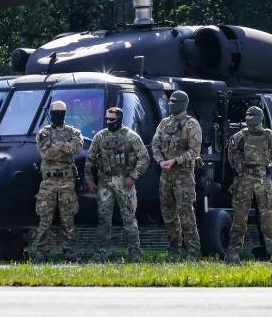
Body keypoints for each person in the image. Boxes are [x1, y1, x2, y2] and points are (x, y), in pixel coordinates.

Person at [84, 107, 150, 262]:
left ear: (119, 118)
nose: (108, 121)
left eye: (112, 119)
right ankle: (100, 254)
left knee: (129, 219)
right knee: (103, 219)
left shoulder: (130, 136)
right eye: (107, 118)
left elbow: (144, 158)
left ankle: (135, 255)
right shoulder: (100, 136)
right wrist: (89, 181)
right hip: (105, 183)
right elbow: (90, 160)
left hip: (124, 182)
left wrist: (133, 177)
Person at [224, 105, 272, 263]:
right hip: (248, 180)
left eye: (251, 115)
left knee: (267, 218)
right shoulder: (239, 136)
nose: (248, 117)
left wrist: (269, 170)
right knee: (240, 218)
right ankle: (233, 254)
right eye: (247, 115)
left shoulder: (268, 136)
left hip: (259, 180)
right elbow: (231, 156)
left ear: (258, 117)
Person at [151, 90, 202, 261]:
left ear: (181, 103)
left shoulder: (191, 124)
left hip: (184, 175)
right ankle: (174, 250)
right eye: (169, 101)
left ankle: (193, 252)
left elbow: (195, 150)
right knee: (168, 213)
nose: (170, 104)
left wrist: (175, 161)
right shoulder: (164, 123)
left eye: (173, 101)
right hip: (166, 175)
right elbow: (155, 144)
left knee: (186, 213)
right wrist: (160, 161)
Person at [33, 100, 84, 263]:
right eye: (55, 112)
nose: (58, 115)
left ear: (65, 114)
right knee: (44, 220)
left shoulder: (74, 131)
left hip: (67, 183)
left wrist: (56, 145)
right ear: (51, 113)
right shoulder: (43, 132)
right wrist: (64, 146)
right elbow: (45, 153)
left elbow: (77, 148)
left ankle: (69, 253)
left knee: (68, 219)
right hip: (48, 184)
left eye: (61, 113)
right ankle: (41, 254)